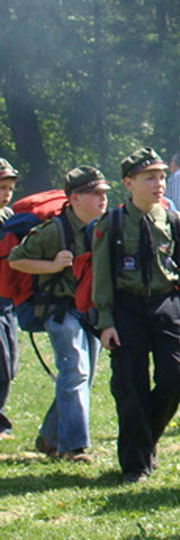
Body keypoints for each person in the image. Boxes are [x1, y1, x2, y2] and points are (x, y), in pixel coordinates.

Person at [93, 147, 180, 483]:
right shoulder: (111, 223)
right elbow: (101, 276)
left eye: (161, 176)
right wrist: (105, 321)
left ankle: (144, 442)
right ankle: (135, 465)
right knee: (131, 387)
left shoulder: (173, 222)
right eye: (149, 178)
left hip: (164, 305)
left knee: (177, 379)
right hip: (126, 308)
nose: (159, 184)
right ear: (128, 183)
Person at [8, 166, 109, 462]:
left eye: (104, 192)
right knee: (75, 371)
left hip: (88, 309)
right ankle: (73, 447)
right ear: (75, 198)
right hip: (60, 309)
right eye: (95, 193)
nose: (102, 198)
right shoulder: (53, 231)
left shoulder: (103, 225)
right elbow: (17, 260)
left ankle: (49, 438)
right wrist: (52, 265)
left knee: (83, 375)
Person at [0, 158, 20, 438]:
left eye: (9, 187)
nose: (6, 193)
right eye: (2, 187)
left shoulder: (9, 216)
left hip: (6, 298)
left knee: (10, 362)